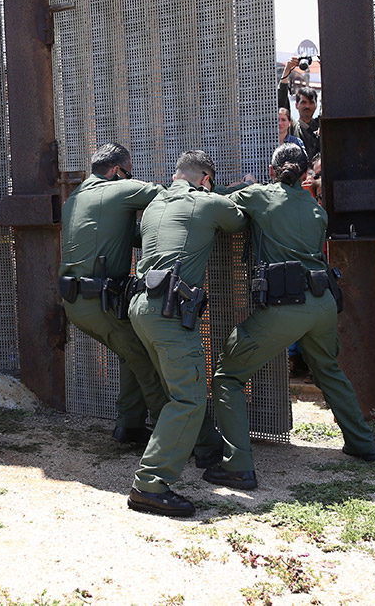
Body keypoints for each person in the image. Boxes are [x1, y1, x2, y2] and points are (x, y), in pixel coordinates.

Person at [196, 144, 375, 490]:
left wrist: (244, 185)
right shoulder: (316, 209)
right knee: (328, 369)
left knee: (227, 376)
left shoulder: (261, 195)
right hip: (322, 304)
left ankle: (238, 466)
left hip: (286, 305)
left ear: (271, 169)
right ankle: (362, 444)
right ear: (307, 174)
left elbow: (214, 196)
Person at [126, 150, 245, 517]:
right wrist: (234, 190)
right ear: (205, 178)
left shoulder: (155, 204)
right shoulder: (205, 202)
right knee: (190, 398)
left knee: (175, 388)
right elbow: (238, 221)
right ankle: (150, 484)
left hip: (141, 309)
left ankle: (206, 448)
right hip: (169, 313)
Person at [59, 143, 168, 445]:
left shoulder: (77, 197)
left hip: (78, 300)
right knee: (145, 355)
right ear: (118, 171)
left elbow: (120, 235)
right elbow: (171, 194)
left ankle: (129, 425)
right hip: (99, 302)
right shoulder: (119, 190)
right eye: (128, 173)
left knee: (130, 351)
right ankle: (170, 434)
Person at [277, 57, 320, 161]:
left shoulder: (321, 124)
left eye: (311, 102)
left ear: (316, 105)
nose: (307, 106)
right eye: (303, 102)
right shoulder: (292, 126)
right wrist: (287, 70)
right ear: (296, 105)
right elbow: (282, 101)